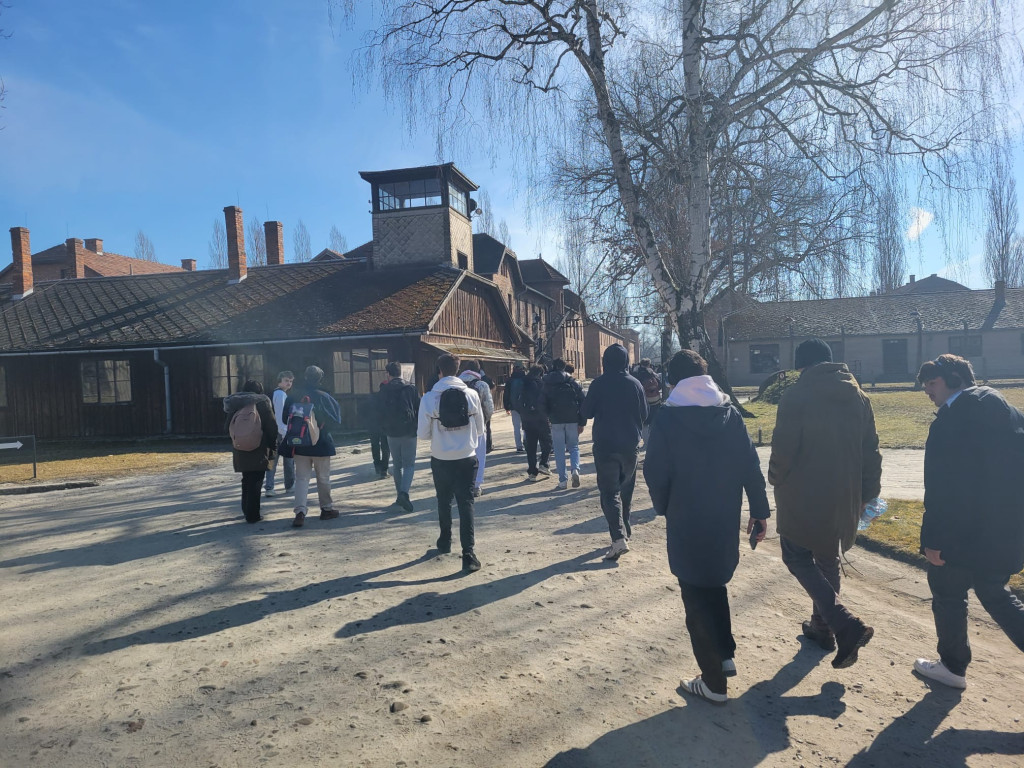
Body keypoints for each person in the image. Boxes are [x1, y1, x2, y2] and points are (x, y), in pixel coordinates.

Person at [644, 350, 770, 705]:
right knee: (714, 582)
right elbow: (750, 465)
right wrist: (760, 511)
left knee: (694, 594)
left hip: (686, 514)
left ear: (673, 382)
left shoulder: (668, 419)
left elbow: (655, 471)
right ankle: (724, 653)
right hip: (723, 514)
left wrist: (664, 506)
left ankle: (713, 682)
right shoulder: (729, 414)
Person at [911, 354, 1024, 689]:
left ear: (955, 379)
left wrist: (932, 538)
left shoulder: (952, 420)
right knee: (994, 593)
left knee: (947, 593)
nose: (928, 391)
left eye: (932, 383)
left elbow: (944, 486)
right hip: (1004, 530)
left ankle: (952, 666)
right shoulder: (1011, 413)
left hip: (960, 535)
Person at [768, 338, 882, 669]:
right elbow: (871, 451)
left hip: (801, 493)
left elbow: (784, 448)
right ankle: (822, 629)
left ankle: (843, 624)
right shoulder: (859, 397)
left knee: (796, 556)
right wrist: (868, 495)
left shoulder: (797, 395)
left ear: (803, 366)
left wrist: (775, 477)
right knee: (827, 557)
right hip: (844, 494)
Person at [418, 353, 485, 573]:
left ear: (439, 371)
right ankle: (468, 553)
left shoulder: (428, 398)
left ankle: (445, 540)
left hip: (441, 457)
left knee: (443, 500)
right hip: (466, 456)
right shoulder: (472, 395)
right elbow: (480, 430)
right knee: (466, 502)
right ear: (457, 370)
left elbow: (423, 434)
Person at [582, 343, 648, 560]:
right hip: (630, 445)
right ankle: (625, 530)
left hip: (606, 445)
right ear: (626, 362)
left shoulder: (598, 384)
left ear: (604, 362)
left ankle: (618, 538)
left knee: (609, 493)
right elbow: (645, 413)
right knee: (626, 490)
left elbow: (587, 412)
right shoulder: (635, 384)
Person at [283, 365, 343, 529]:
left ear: (305, 377)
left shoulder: (294, 395)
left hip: (299, 444)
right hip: (321, 443)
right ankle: (326, 509)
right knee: (323, 477)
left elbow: (284, 419)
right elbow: (336, 420)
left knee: (302, 479)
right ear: (320, 378)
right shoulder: (325, 396)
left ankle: (300, 513)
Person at [224, 379, 278, 524]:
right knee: (257, 480)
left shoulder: (235, 404)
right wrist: (273, 445)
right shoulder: (262, 403)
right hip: (259, 447)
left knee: (246, 479)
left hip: (240, 447)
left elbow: (227, 427)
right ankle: (253, 515)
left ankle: (246, 509)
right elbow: (271, 427)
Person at [378, 361, 420, 513]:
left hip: (391, 432)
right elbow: (418, 408)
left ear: (388, 374)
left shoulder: (384, 390)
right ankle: (404, 493)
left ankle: (399, 495)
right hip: (409, 431)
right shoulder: (411, 389)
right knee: (409, 465)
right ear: (400, 372)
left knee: (397, 464)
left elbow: (379, 412)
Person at [542, 358, 586, 490]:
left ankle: (562, 480)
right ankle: (575, 469)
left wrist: (547, 416)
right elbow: (582, 401)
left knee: (559, 450)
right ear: (564, 367)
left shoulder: (547, 382)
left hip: (555, 420)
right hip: (572, 418)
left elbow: (542, 401)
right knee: (574, 447)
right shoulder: (572, 382)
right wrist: (582, 421)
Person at [459, 360, 494, 497]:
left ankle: (462, 484)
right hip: (478, 425)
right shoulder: (481, 385)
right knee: (479, 456)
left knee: (462, 456)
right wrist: (485, 420)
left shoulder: (457, 384)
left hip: (459, 425)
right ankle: (476, 485)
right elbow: (489, 408)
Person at [515, 364, 553, 481]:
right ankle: (543, 464)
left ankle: (532, 472)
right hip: (541, 418)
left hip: (527, 419)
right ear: (541, 374)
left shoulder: (523, 383)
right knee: (547, 443)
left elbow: (518, 401)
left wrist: (523, 413)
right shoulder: (543, 385)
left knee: (530, 447)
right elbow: (548, 401)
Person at [264, 370, 295, 497]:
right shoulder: (281, 395)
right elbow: (281, 415)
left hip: (273, 431)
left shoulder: (276, 394)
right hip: (281, 432)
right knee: (288, 461)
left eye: (291, 381)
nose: (289, 383)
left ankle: (270, 487)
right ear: (280, 381)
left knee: (272, 461)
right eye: (286, 380)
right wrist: (284, 432)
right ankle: (288, 486)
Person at [633, 358, 663, 449]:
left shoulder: (637, 374)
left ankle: (646, 443)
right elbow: (660, 386)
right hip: (656, 401)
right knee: (653, 423)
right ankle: (653, 442)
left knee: (644, 424)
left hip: (644, 403)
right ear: (649, 364)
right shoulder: (653, 374)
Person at [368, 378, 391, 481]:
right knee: (386, 447)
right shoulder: (390, 399)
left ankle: (377, 466)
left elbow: (364, 410)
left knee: (375, 445)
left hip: (373, 425)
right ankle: (384, 470)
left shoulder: (373, 397)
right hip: (385, 425)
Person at [506, 364, 526, 453]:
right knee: (526, 427)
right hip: (525, 406)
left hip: (513, 406)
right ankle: (526, 443)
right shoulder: (526, 380)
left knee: (516, 427)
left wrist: (507, 406)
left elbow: (506, 394)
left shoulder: (510, 380)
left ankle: (519, 446)